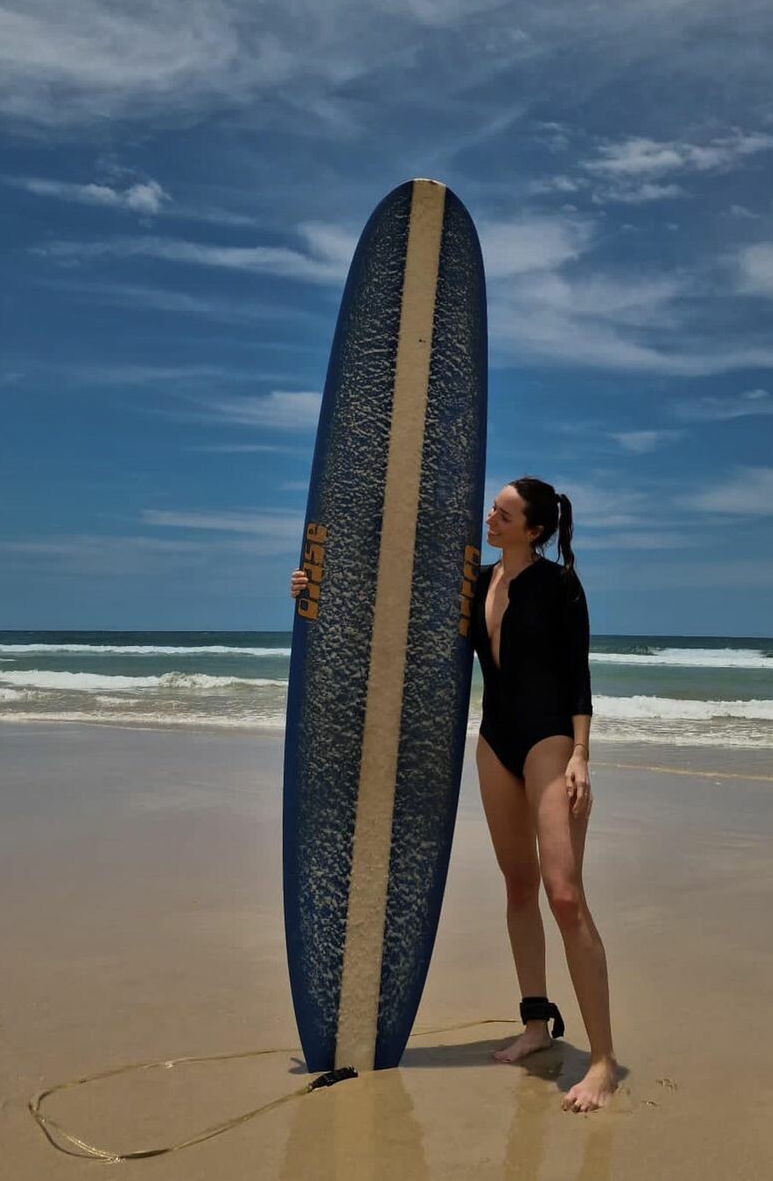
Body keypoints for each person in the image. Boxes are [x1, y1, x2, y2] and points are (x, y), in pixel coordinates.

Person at [289, 476, 617, 1113]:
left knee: (564, 895)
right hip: (495, 741)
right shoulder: (475, 583)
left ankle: (602, 1060)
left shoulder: (560, 586)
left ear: (534, 530)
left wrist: (581, 754)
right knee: (518, 887)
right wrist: (315, 590)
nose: (489, 518)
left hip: (549, 738)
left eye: (503, 514)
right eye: (492, 509)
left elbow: (578, 674)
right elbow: (390, 615)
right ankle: (535, 1024)